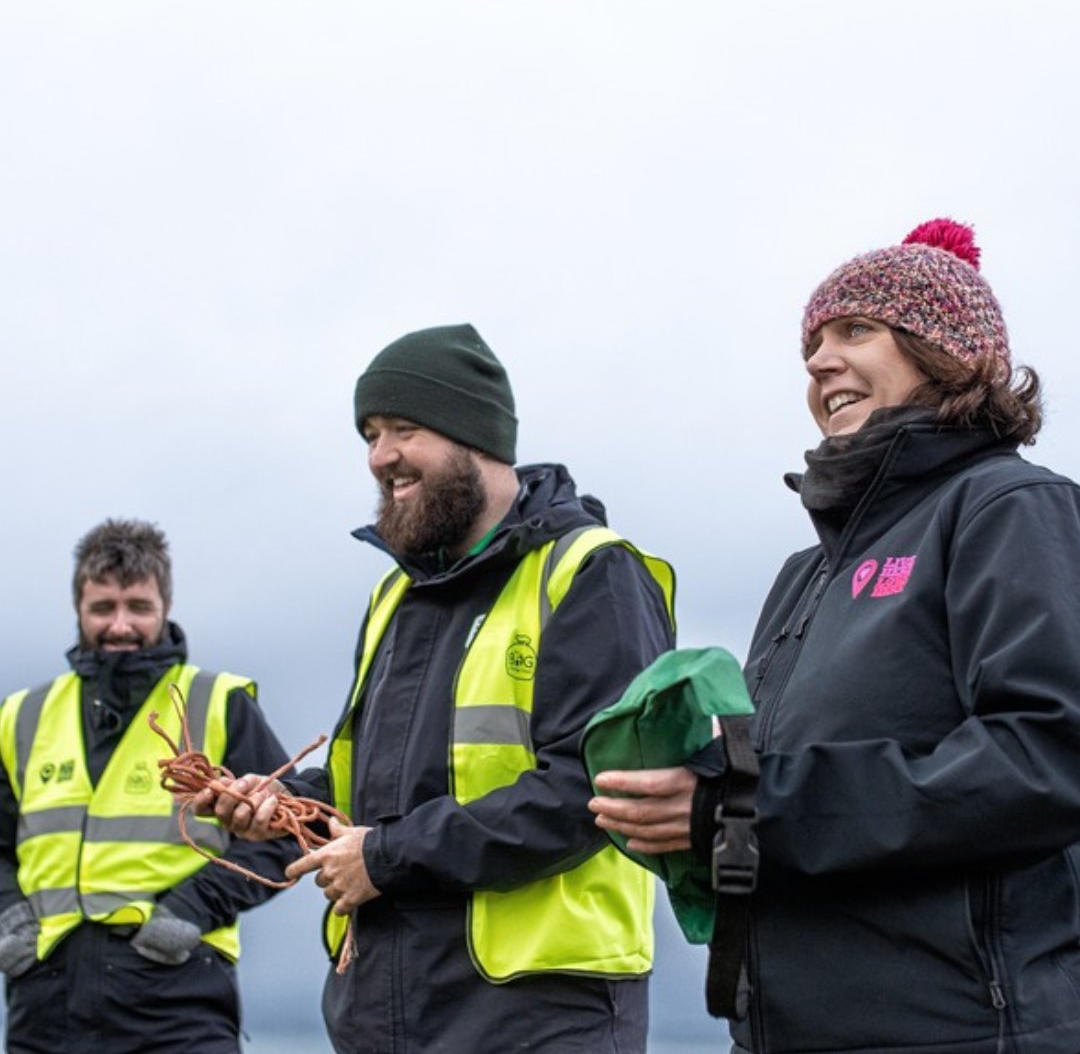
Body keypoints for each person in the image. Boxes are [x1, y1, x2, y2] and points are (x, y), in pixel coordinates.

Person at [589, 219, 1080, 1053]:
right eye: (812, 344)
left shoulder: (1006, 507)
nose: (818, 363)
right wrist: (693, 800)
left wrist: (739, 810)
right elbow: (786, 794)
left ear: (946, 353)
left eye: (856, 330)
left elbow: (1046, 758)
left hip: (958, 1030)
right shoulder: (802, 573)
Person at [201, 323, 677, 1053]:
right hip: (383, 1010)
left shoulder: (592, 573)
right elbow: (384, 790)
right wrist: (287, 803)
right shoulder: (394, 595)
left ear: (474, 435)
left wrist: (383, 858)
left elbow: (593, 793)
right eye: (370, 433)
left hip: (540, 1019)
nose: (379, 456)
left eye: (403, 428)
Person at [0, 519, 296, 1054]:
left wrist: (188, 910)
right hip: (44, 1004)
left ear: (165, 607)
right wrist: (10, 923)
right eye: (103, 608)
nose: (120, 625)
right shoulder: (22, 716)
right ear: (78, 611)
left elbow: (289, 833)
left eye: (138, 607)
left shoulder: (218, 703)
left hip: (176, 1000)